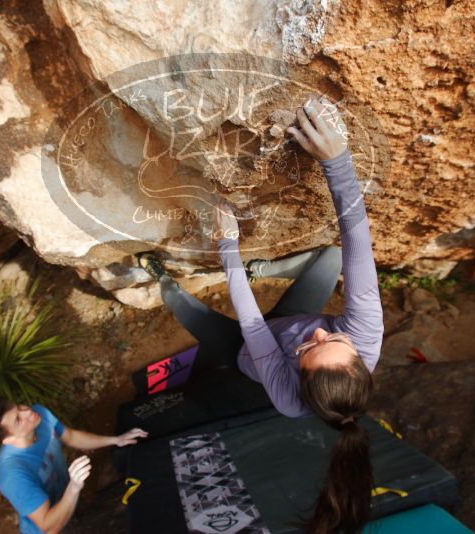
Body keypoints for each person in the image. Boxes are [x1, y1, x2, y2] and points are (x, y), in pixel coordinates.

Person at [137, 95, 384, 534]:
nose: (323, 336)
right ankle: (265, 269)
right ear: (361, 359)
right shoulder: (365, 336)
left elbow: (251, 325)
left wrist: (228, 244)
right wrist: (338, 163)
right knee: (329, 257)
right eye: (335, 341)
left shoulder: (290, 402)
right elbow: (357, 247)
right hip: (294, 316)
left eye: (310, 349)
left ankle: (160, 277)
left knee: (183, 304)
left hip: (244, 349)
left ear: (299, 375)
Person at [0, 398, 147, 534]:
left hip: (69, 499)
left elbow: (70, 436)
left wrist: (116, 440)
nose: (27, 411)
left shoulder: (39, 416)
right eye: (19, 420)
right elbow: (49, 527)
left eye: (19, 407)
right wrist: (74, 487)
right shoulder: (12, 474)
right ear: (8, 440)